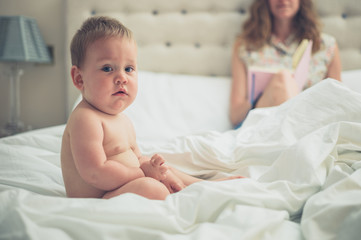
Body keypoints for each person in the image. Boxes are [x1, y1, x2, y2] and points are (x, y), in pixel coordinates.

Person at [61, 16, 240, 201]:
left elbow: (138, 159)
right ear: (79, 78)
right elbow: (95, 173)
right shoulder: (86, 119)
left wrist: (154, 169)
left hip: (122, 186)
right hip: (98, 198)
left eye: (129, 69)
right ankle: (179, 193)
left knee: (164, 168)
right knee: (152, 188)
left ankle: (199, 185)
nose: (121, 77)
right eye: (107, 68)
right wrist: (141, 173)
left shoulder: (123, 120)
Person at [230, 0, 342, 128]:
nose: (283, 1)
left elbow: (337, 103)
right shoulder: (246, 46)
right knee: (282, 78)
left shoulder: (326, 46)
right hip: (261, 125)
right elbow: (235, 116)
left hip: (311, 122)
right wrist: (258, 97)